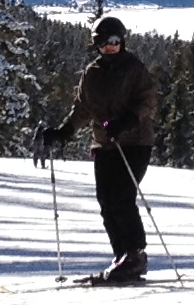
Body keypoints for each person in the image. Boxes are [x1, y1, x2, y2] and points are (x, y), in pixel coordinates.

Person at [35, 15, 158, 282]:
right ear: (96, 44)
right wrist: (64, 132)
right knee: (106, 200)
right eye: (104, 42)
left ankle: (135, 255)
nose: (111, 46)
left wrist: (126, 122)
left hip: (135, 142)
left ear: (123, 41)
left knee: (123, 197)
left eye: (115, 40)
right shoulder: (92, 72)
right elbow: (82, 108)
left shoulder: (134, 67)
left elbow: (148, 101)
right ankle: (121, 256)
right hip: (105, 144)